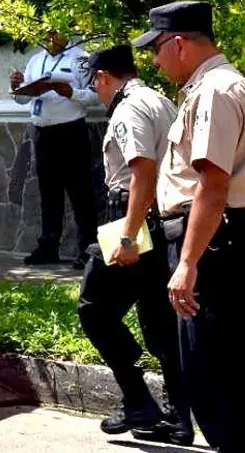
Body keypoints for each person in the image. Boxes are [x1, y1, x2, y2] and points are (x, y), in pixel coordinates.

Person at [133, 1, 245, 453]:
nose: (155, 61)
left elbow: (213, 182)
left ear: (180, 43)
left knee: (211, 369)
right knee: (227, 364)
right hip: (218, 237)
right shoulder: (224, 86)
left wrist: (187, 263)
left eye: (157, 49)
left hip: (210, 242)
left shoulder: (214, 91)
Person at [78, 45, 192, 444]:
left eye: (95, 83)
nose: (96, 91)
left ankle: (138, 398)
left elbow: (141, 169)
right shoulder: (158, 99)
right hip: (162, 221)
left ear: (104, 77)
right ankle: (179, 418)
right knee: (160, 324)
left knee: (93, 309)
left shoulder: (128, 109)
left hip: (135, 220)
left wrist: (127, 236)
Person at [10, 29, 100, 267]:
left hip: (71, 132)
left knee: (80, 192)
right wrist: (17, 87)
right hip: (43, 133)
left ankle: (88, 248)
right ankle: (48, 246)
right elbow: (22, 99)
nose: (49, 39)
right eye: (46, 34)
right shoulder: (35, 60)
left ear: (65, 33)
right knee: (49, 192)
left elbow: (95, 96)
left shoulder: (81, 58)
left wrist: (72, 93)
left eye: (54, 34)